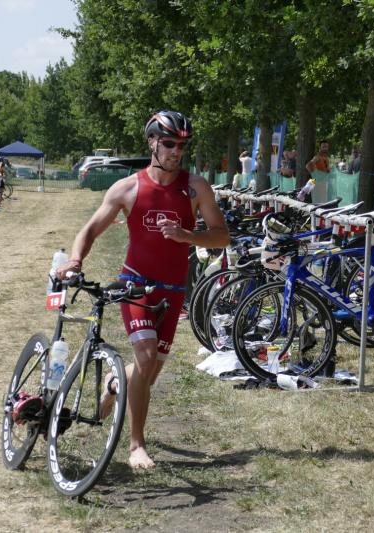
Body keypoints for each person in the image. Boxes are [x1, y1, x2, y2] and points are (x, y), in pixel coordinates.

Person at [56, 110, 230, 470]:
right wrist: (75, 261)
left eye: (182, 145)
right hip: (135, 285)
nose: (176, 151)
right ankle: (137, 445)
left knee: (147, 373)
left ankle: (114, 384)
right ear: (152, 142)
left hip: (173, 290)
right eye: (169, 143)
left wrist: (187, 235)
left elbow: (221, 236)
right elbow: (90, 230)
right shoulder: (127, 188)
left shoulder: (196, 187)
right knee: (146, 356)